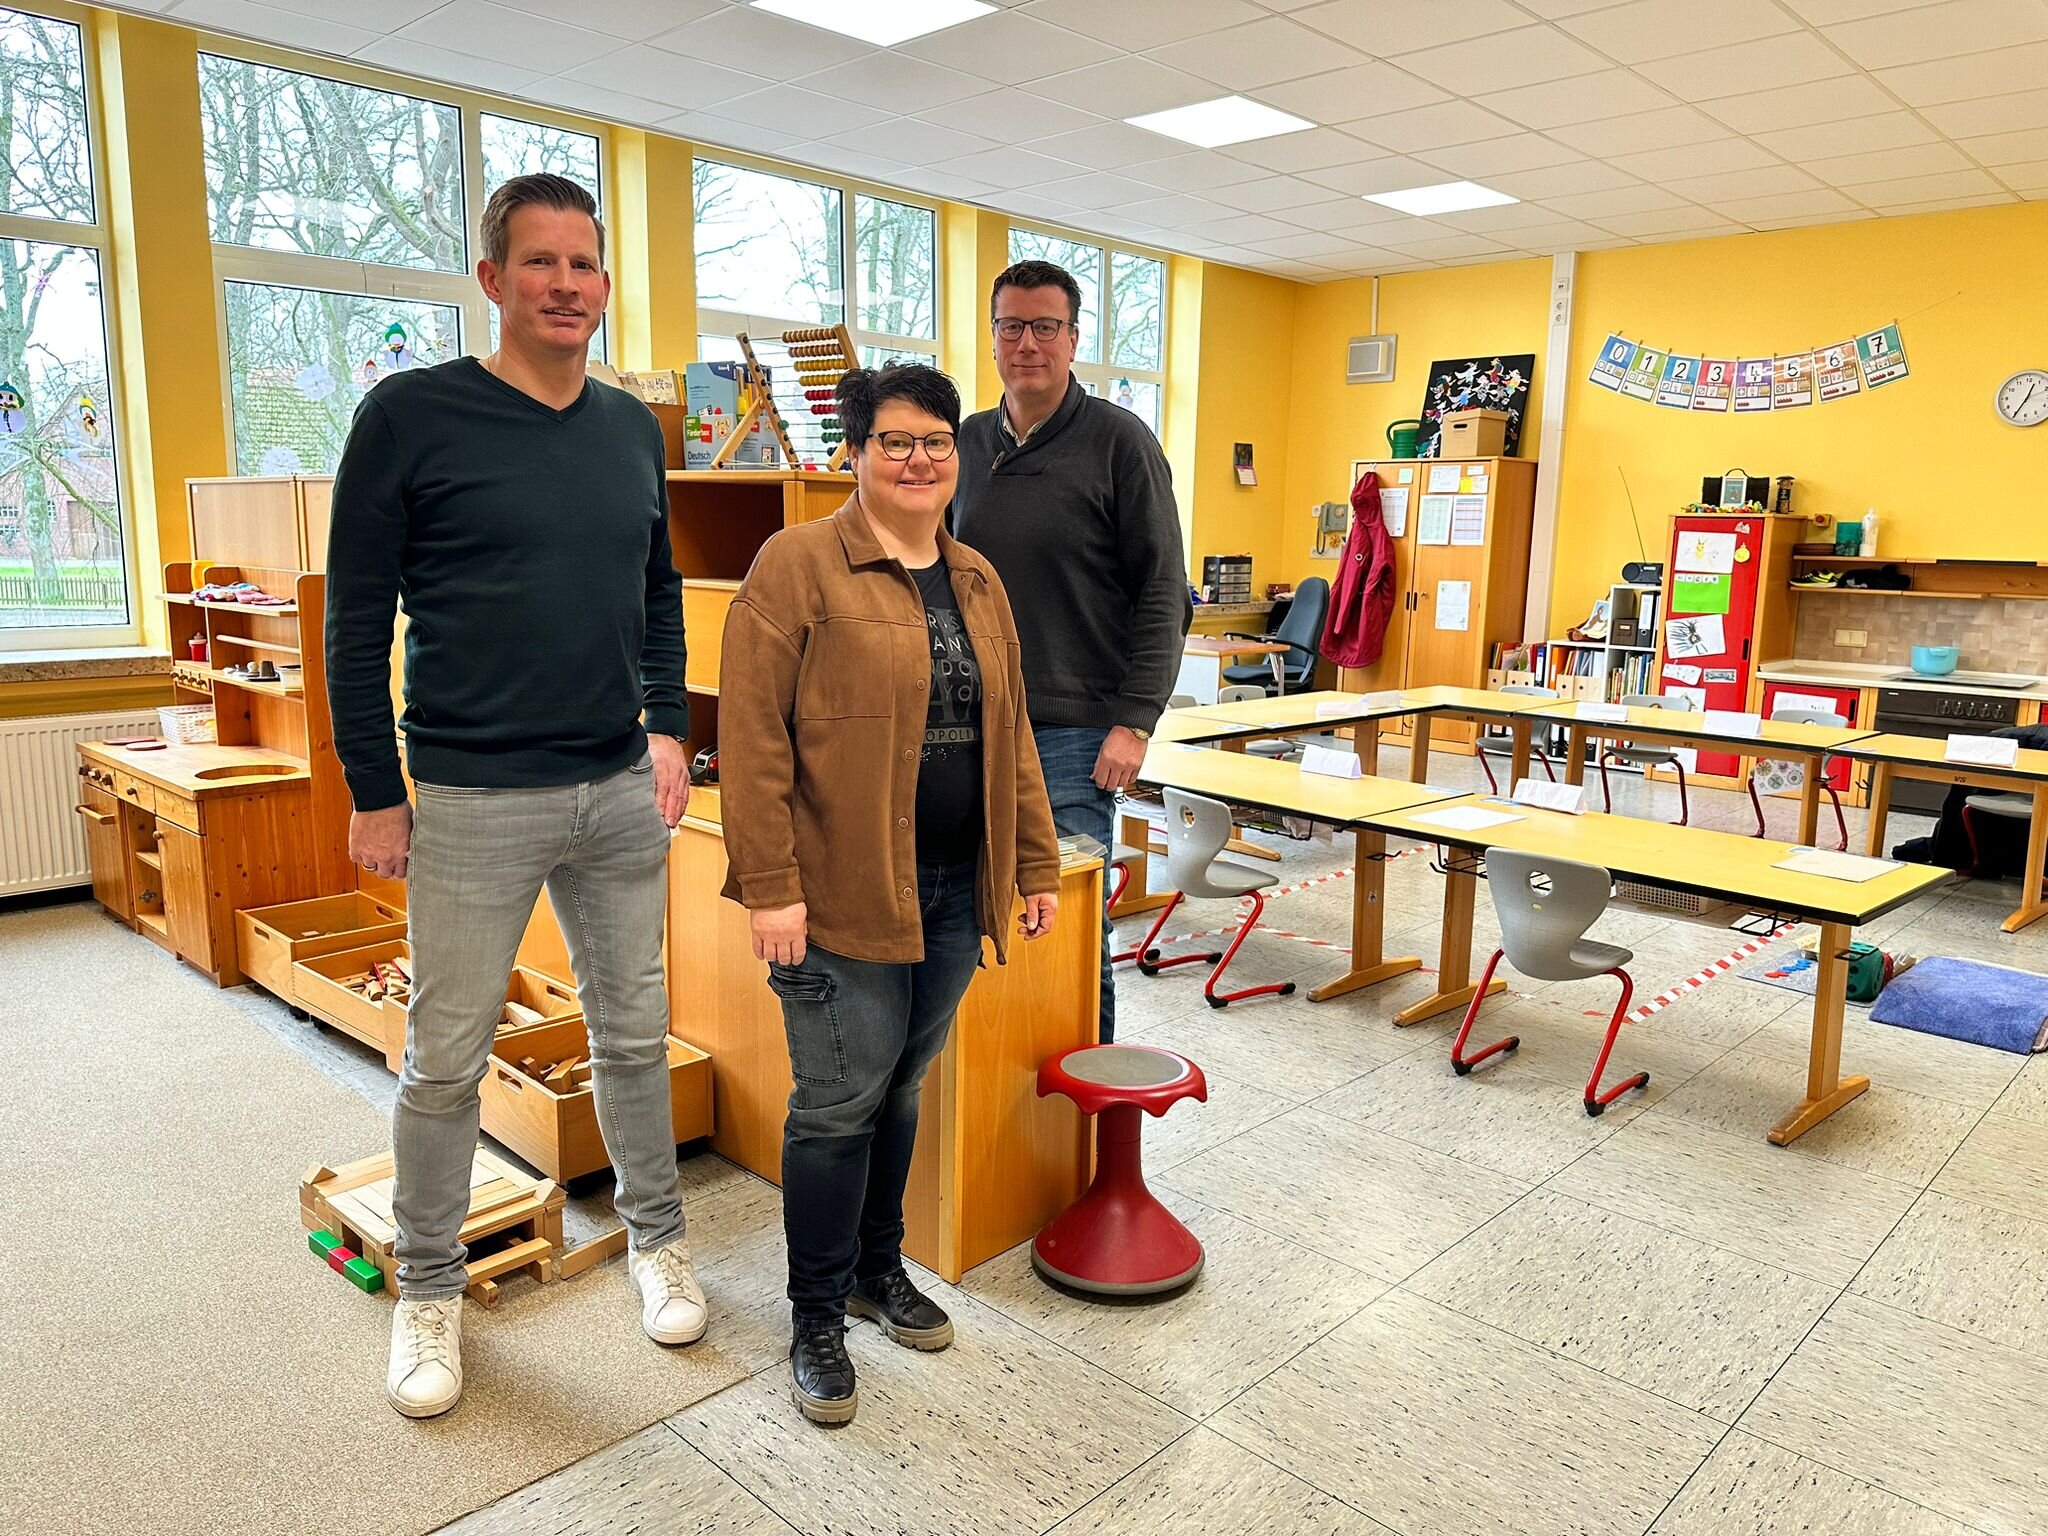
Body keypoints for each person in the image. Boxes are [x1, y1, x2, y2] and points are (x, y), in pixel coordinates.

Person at [325, 173, 706, 1421]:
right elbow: (354, 617)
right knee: (445, 1060)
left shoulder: (625, 428)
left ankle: (658, 1240)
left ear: (604, 285)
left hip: (614, 790)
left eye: (582, 264)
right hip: (472, 794)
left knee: (632, 1036)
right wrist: (374, 787)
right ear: (491, 279)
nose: (564, 284)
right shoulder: (410, 415)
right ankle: (427, 1286)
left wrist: (665, 725)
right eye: (538, 261)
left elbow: (657, 590)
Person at [719, 362, 1061, 1426]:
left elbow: (1010, 735)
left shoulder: (976, 578)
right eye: (896, 442)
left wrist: (1034, 862)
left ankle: (878, 1268)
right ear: (856, 455)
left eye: (937, 443)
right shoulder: (796, 566)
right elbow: (753, 739)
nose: (919, 461)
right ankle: (815, 1315)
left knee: (900, 1087)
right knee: (836, 1106)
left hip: (955, 891)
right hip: (838, 892)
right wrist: (771, 888)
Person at [952, 259, 1191, 1043]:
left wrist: (1135, 720)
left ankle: (1090, 1098)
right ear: (993, 337)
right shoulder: (966, 443)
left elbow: (1165, 590)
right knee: (977, 912)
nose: (1027, 343)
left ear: (1073, 338)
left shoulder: (1120, 443)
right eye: (1011, 326)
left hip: (1074, 732)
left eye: (1045, 327)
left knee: (1068, 925)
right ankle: (1005, 1090)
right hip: (971, 723)